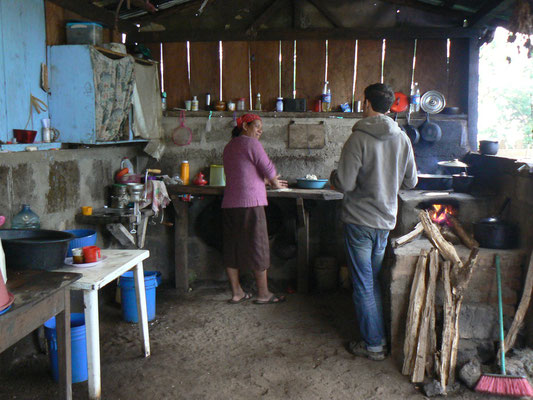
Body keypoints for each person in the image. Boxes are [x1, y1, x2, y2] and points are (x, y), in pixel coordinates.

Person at [330, 83, 418, 361]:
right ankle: (377, 337)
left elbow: (344, 182)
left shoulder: (357, 139)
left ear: (366, 103)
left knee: (363, 283)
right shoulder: (401, 138)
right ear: (390, 106)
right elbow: (412, 181)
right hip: (385, 222)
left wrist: (333, 176)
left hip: (359, 222)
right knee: (372, 281)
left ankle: (373, 344)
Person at [222, 113, 288, 304]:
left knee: (232, 247)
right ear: (245, 126)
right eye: (257, 126)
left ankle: (237, 292)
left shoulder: (229, 146)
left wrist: (263, 182)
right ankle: (263, 294)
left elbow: (242, 173)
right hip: (250, 203)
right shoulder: (251, 143)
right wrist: (275, 182)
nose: (260, 130)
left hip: (230, 204)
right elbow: (266, 166)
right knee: (258, 246)